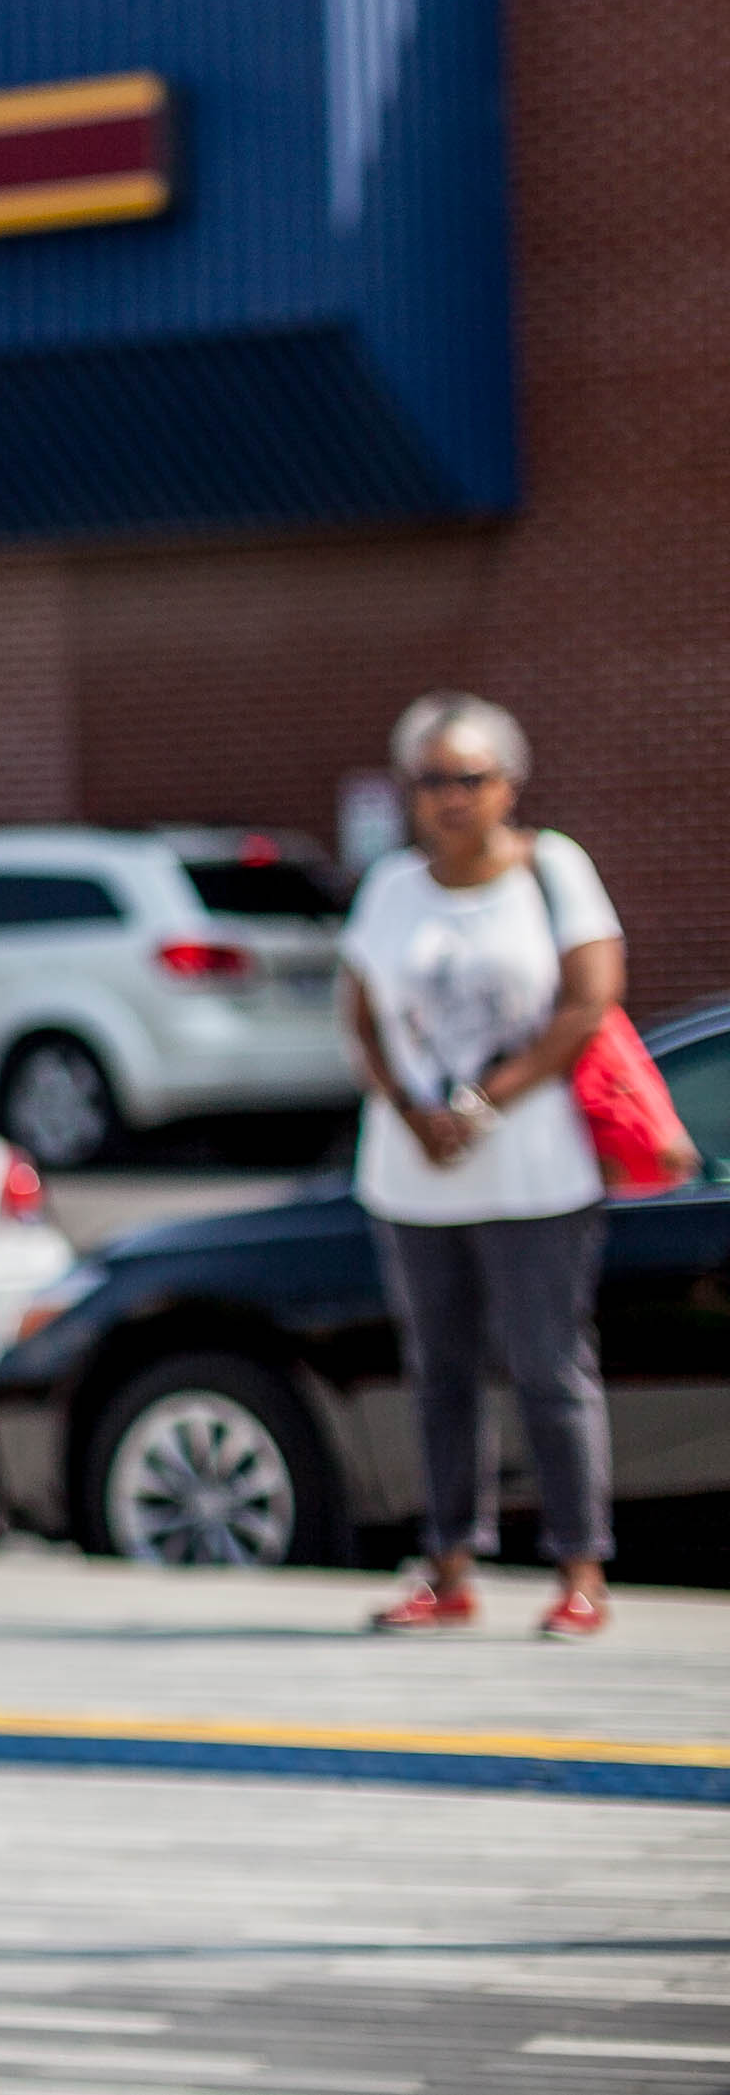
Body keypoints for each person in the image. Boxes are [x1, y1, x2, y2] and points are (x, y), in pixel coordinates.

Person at [338, 692, 619, 1640]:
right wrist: (408, 1108)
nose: (450, 797)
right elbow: (362, 1013)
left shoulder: (552, 869)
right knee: (439, 1373)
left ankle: (580, 1570)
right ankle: (449, 1565)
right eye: (430, 780)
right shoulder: (390, 887)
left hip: (534, 1170)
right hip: (413, 1173)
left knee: (547, 1366)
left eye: (469, 777)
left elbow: (588, 1001)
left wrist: (485, 1101)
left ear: (510, 783)